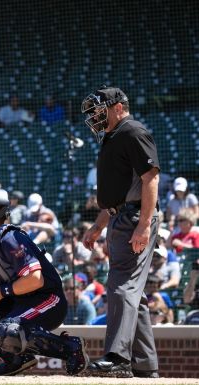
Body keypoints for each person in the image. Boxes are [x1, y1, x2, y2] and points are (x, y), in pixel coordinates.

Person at [0, 188, 88, 376]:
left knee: (7, 329)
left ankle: (70, 348)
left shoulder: (11, 237)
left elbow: (35, 280)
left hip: (48, 299)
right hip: (21, 300)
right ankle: (16, 359)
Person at [81, 86, 160, 378]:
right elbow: (117, 192)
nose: (94, 116)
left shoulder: (133, 131)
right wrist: (99, 224)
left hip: (135, 216)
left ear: (117, 107)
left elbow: (151, 179)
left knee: (120, 286)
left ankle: (118, 357)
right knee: (132, 295)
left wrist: (144, 223)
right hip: (118, 217)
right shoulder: (113, 136)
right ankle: (144, 364)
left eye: (99, 110)